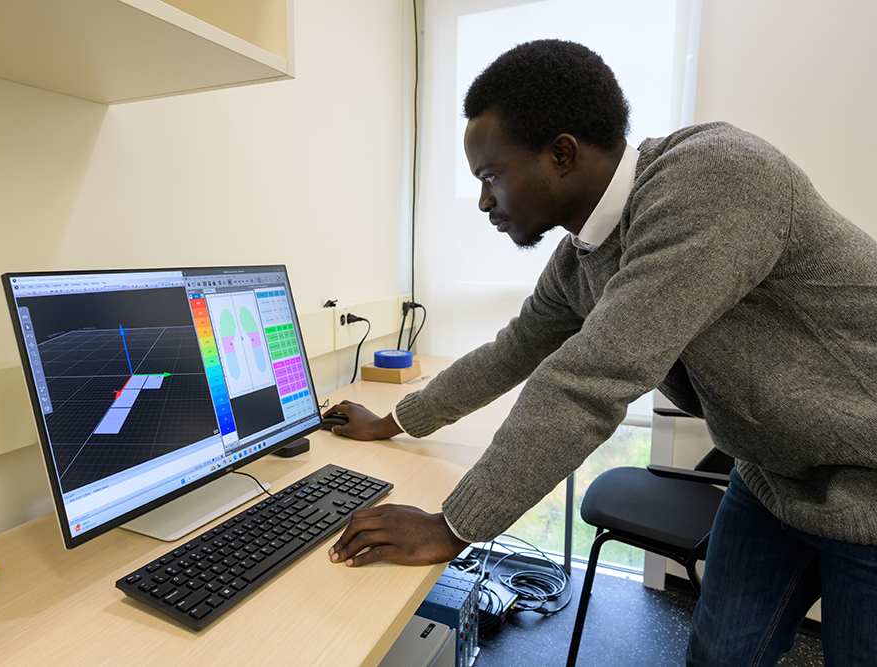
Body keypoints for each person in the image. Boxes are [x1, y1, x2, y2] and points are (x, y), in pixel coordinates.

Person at [323, 40, 877, 665]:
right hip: (772, 476)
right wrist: (392, 422)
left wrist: (453, 526)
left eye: (490, 175)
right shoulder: (582, 258)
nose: (483, 201)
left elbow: (594, 376)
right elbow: (512, 351)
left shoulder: (718, 178)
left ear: (561, 154)